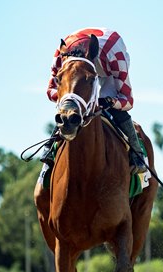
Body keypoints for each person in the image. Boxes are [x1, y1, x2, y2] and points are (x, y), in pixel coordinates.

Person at [41, 27, 146, 174]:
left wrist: (111, 101)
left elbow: (128, 101)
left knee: (112, 106)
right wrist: (70, 100)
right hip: (83, 64)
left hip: (108, 61)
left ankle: (137, 154)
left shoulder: (116, 58)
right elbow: (50, 90)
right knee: (68, 106)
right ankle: (49, 147)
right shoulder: (60, 55)